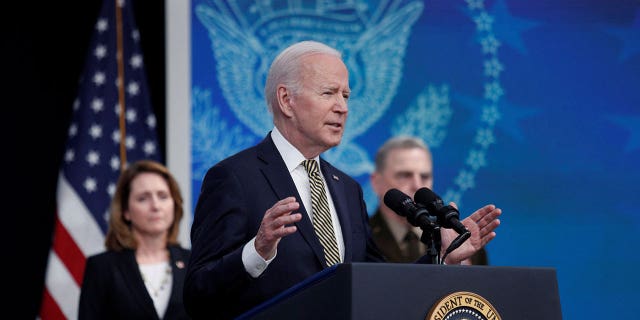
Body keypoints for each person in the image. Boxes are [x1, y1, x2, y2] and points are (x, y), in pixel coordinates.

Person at [183, 40, 502, 319]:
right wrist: (257, 250)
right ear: (286, 100)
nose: (343, 108)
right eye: (328, 93)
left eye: (346, 95)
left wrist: (441, 256)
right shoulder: (234, 178)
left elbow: (376, 283)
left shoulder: (346, 188)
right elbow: (198, 296)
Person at [78, 160, 191, 320]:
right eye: (143, 198)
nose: (156, 206)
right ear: (125, 211)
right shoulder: (102, 268)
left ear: (174, 204)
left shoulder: (194, 263)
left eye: (163, 196)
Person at [369, 136, 493, 264]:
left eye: (424, 176)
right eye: (405, 175)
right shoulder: (360, 238)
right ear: (376, 182)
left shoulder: (461, 242)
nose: (417, 185)